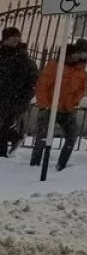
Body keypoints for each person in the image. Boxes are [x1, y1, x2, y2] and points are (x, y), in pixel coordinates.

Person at [31, 39, 87, 171]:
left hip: (68, 109)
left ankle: (61, 165)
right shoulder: (54, 66)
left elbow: (82, 88)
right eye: (74, 55)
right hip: (50, 108)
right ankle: (35, 164)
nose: (76, 57)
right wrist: (44, 105)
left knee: (71, 137)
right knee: (42, 137)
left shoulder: (80, 70)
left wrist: (74, 102)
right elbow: (42, 86)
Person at [0, 27, 37, 158]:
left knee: (3, 126)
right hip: (3, 96)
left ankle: (7, 147)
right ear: (5, 39)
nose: (15, 39)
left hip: (14, 98)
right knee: (3, 127)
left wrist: (24, 97)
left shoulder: (22, 57)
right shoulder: (2, 54)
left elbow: (32, 80)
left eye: (17, 36)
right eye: (12, 36)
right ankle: (14, 139)